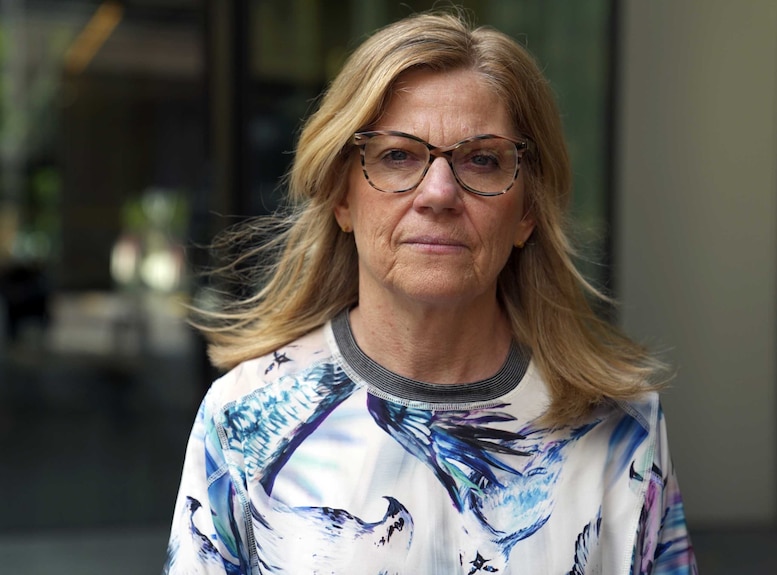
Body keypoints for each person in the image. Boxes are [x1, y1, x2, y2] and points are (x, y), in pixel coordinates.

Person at [164, 11, 697, 575]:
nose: (438, 193)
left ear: (528, 212)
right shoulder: (243, 419)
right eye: (398, 156)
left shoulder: (619, 430)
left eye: (483, 160)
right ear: (342, 198)